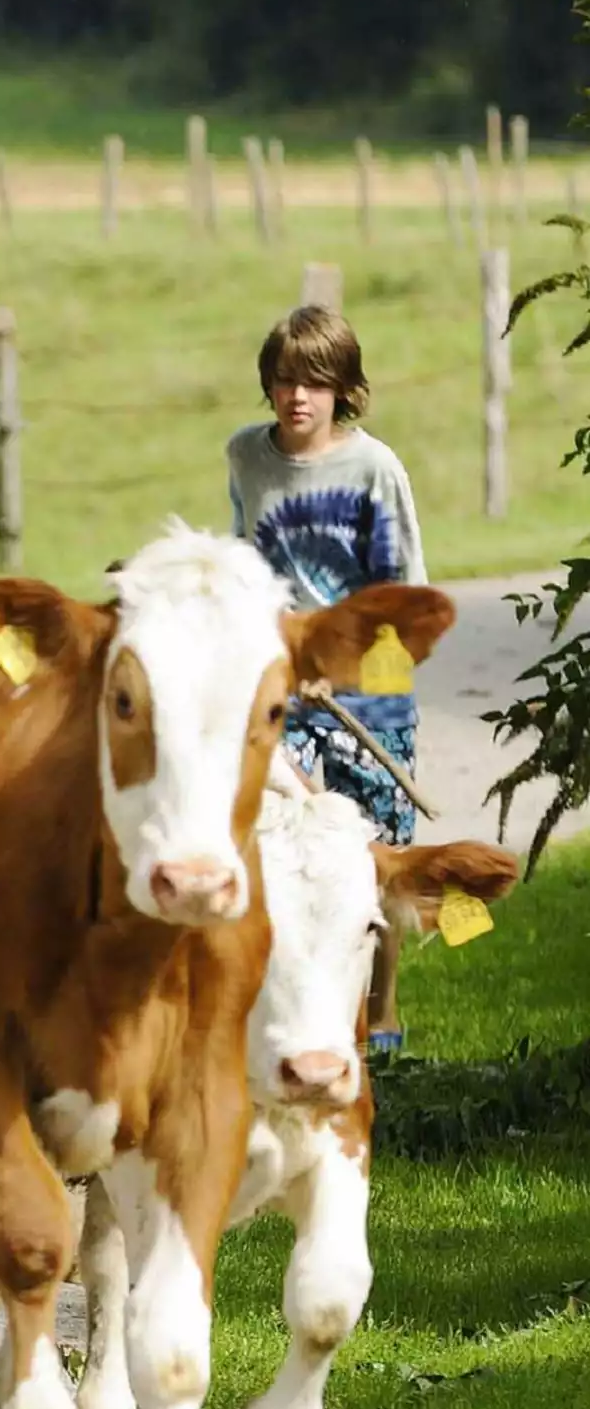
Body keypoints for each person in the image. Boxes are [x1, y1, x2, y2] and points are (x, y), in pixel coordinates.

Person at [227, 304, 428, 1051]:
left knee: (369, 849)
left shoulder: (376, 468)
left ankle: (379, 1011)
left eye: (315, 381)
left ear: (345, 388)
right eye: (284, 381)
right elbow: (249, 565)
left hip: (370, 687)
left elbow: (402, 588)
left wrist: (350, 677)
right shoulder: (246, 456)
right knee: (285, 837)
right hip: (286, 685)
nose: (298, 397)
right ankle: (288, 1001)